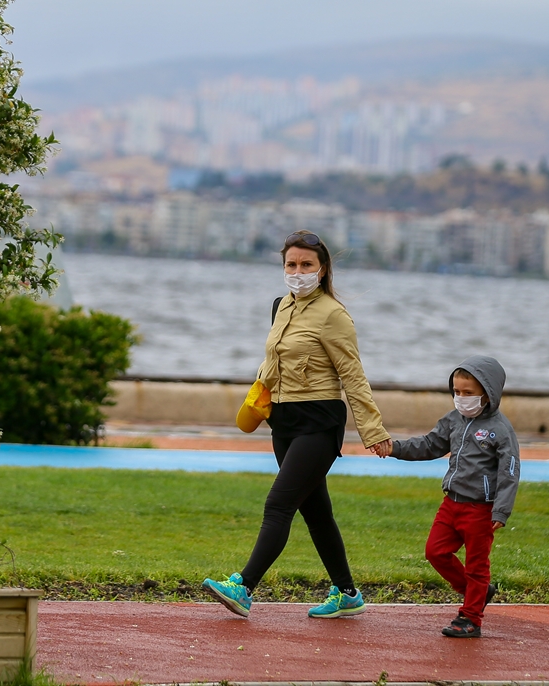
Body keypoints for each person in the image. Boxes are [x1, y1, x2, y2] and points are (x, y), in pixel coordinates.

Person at [203, 230, 393, 619]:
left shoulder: (334, 315)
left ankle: (243, 586)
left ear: (322, 270)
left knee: (279, 504)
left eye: (306, 265)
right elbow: (273, 362)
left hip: (320, 422)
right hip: (284, 421)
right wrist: (258, 400)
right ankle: (348, 593)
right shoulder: (281, 307)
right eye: (291, 264)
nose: (297, 271)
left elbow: (353, 377)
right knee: (316, 512)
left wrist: (373, 431)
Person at [380, 355, 520, 638]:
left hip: (481, 510)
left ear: (488, 393)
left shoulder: (500, 430)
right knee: (435, 552)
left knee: (477, 566)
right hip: (451, 503)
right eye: (457, 392)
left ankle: (471, 618)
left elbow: (510, 472)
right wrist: (394, 448)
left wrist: (501, 511)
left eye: (468, 393)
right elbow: (430, 445)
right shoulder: (453, 420)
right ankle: (476, 594)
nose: (461, 398)